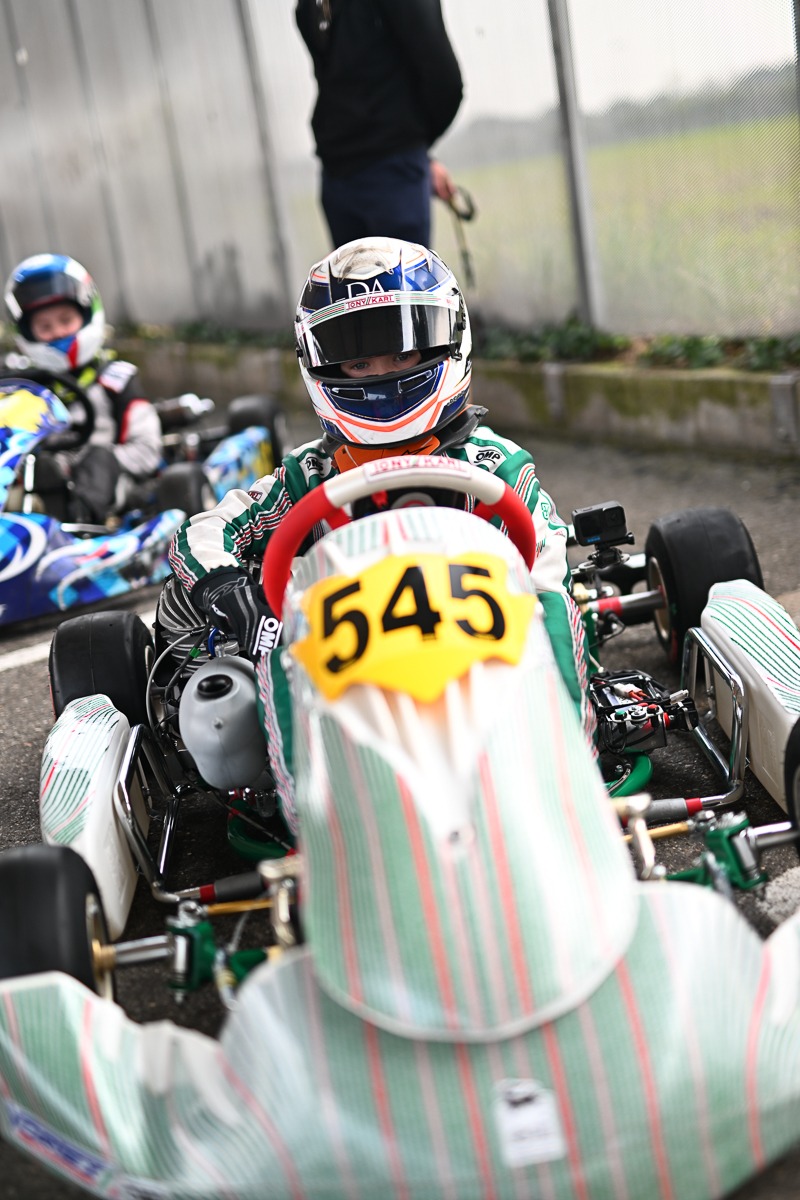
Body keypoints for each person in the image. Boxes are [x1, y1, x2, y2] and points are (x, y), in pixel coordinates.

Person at [165, 237, 594, 832]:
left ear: (450, 340)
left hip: (477, 654)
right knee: (265, 644)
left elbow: (546, 562)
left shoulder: (495, 467)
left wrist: (539, 600)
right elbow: (202, 533)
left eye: (401, 354)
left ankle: (567, 782)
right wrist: (230, 591)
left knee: (551, 610)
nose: (382, 376)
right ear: (319, 368)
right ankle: (310, 816)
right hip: (347, 664)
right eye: (358, 364)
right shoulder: (308, 475)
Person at [3, 253, 162, 524]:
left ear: (87, 314)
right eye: (45, 326)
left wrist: (90, 462)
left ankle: (81, 522)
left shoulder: (116, 379)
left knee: (98, 458)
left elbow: (147, 450)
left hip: (109, 483)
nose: (57, 332)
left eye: (65, 320)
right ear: (27, 333)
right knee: (36, 466)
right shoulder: (21, 384)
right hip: (38, 477)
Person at [295, 0, 463, 248]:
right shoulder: (314, 5)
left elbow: (444, 78)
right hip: (338, 173)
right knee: (352, 273)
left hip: (393, 170)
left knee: (399, 272)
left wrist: (411, 145)